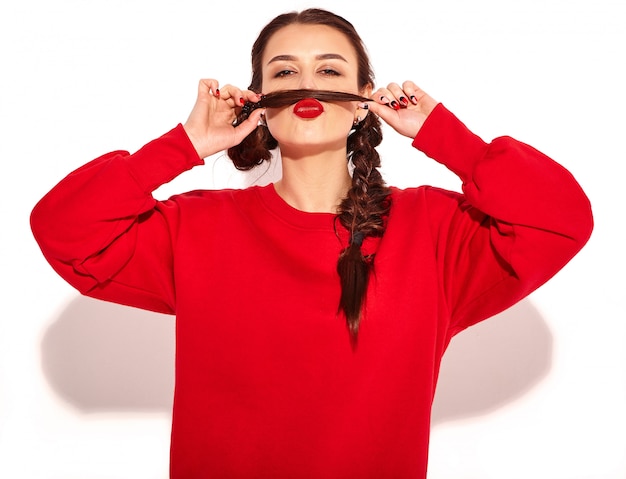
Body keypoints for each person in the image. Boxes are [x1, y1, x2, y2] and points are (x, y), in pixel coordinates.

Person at [30, 8, 593, 479]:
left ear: (361, 100)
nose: (309, 83)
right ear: (257, 102)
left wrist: (448, 136)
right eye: (284, 71)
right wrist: (184, 144)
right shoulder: (196, 227)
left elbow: (561, 218)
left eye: (329, 69)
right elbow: (64, 229)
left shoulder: (433, 228)